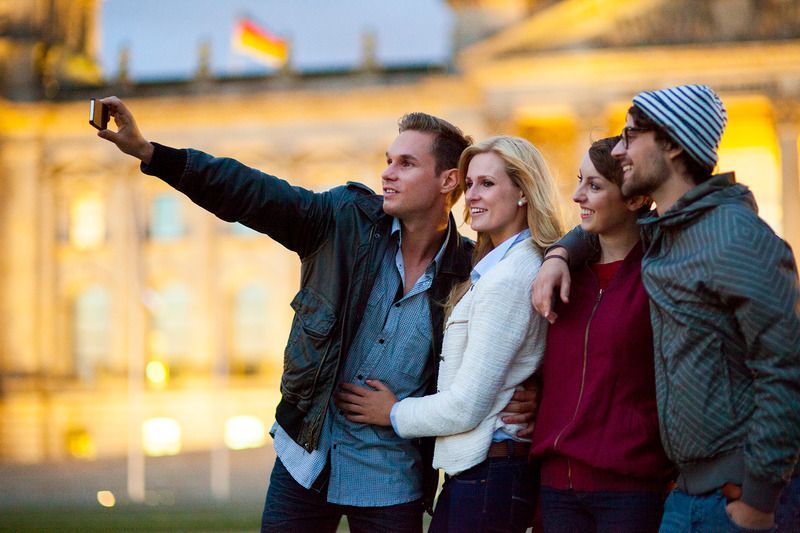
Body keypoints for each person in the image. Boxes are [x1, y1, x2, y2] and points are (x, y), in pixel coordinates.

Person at [96, 97, 538, 533]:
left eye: (406, 164)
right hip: (306, 460)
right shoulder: (342, 221)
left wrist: (530, 392)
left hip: (391, 478)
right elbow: (249, 192)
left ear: (448, 180)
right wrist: (151, 153)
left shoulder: (469, 271)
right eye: (388, 160)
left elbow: (509, 346)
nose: (387, 173)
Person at [531, 85, 800, 532]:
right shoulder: (665, 233)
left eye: (631, 136)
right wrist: (560, 253)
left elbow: (784, 370)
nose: (619, 151)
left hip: (735, 498)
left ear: (673, 145)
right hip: (684, 494)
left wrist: (758, 499)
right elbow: (607, 226)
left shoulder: (737, 236)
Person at [334, 135, 562, 532]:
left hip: (489, 474)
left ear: (524, 192)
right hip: (485, 472)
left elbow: (465, 405)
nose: (471, 195)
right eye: (469, 184)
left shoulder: (509, 277)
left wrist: (391, 412)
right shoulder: (498, 266)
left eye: (487, 184)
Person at [529, 136, 674, 532]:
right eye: (580, 181)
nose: (577, 196)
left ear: (636, 199)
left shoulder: (661, 276)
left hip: (630, 490)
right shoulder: (561, 277)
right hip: (557, 488)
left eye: (594, 186)